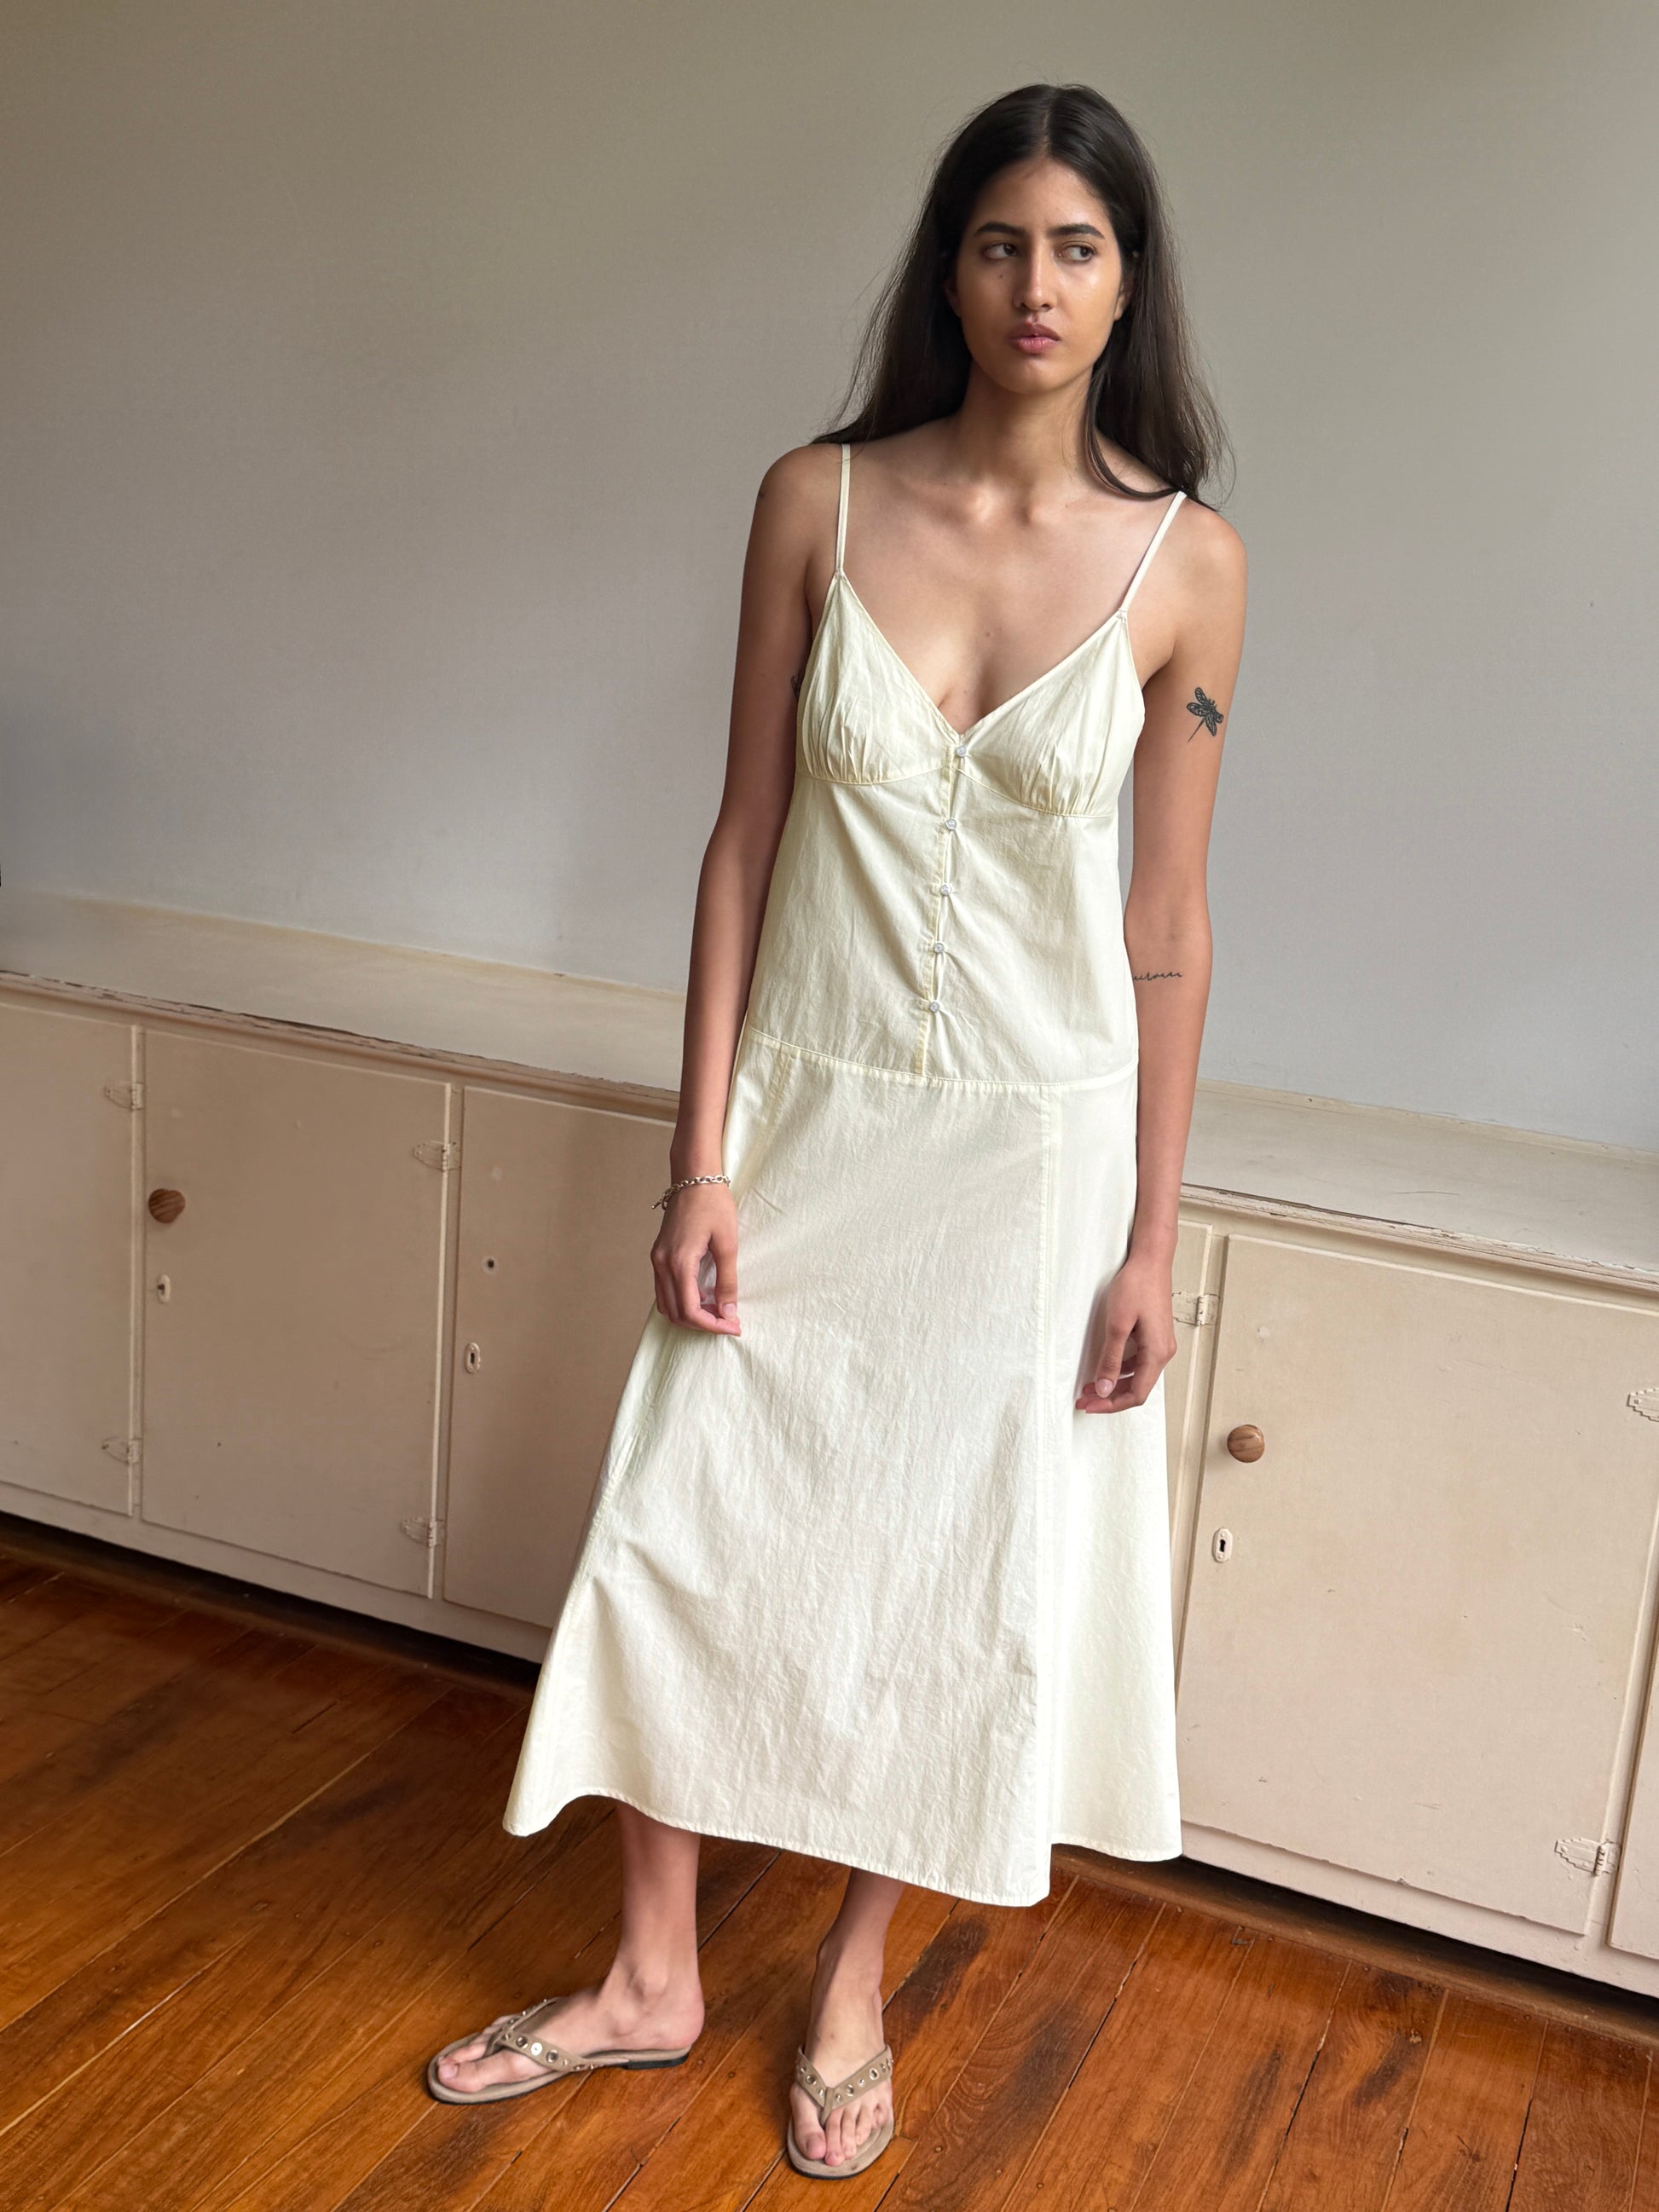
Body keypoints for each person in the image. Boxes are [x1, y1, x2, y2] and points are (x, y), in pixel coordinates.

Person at [427, 78, 1246, 2180]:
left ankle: (858, 1972)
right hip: (807, 1117)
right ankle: (649, 1974)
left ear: (1126, 277)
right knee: (688, 1527)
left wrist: (1153, 1229)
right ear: (945, 266)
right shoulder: (814, 496)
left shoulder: (1190, 565)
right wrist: (698, 1155)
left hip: (1036, 1157)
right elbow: (737, 845)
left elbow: (1167, 922)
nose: (1033, 283)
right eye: (998, 240)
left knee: (952, 1571)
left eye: (1075, 245)